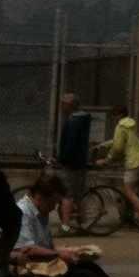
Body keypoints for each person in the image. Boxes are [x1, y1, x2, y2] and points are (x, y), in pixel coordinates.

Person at [99, 106, 139, 225]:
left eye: (114, 115)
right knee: (137, 191)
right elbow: (118, 141)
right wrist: (103, 145)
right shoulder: (131, 125)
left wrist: (106, 160)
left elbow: (118, 147)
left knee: (128, 190)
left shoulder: (121, 126)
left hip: (133, 161)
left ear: (119, 115)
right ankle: (138, 213)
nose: (114, 118)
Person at [55, 93, 93, 232]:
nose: (61, 107)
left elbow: (70, 145)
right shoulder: (81, 119)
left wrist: (61, 159)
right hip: (79, 162)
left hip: (71, 164)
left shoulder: (73, 121)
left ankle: (65, 227)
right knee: (78, 194)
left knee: (67, 194)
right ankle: (83, 223)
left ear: (69, 106)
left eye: (63, 104)